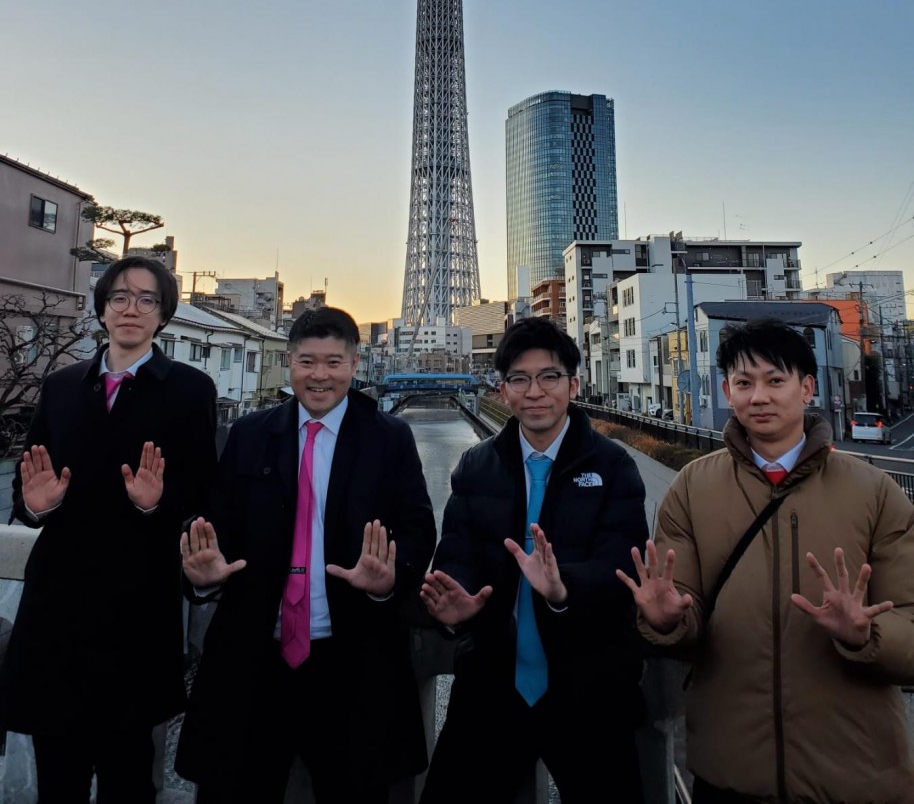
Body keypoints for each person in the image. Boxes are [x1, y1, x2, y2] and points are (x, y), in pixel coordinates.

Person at [619, 317, 914, 804]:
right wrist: (665, 619)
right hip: (731, 767)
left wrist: (868, 634)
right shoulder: (693, 488)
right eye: (743, 383)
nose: (759, 396)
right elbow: (682, 607)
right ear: (726, 392)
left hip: (856, 773)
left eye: (776, 381)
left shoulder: (873, 491)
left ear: (807, 387)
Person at [175, 306, 436, 804]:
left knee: (354, 787)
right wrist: (205, 577)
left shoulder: (388, 438)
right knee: (237, 787)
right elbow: (216, 526)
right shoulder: (250, 435)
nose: (320, 376)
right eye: (308, 362)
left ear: (356, 364)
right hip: (254, 655)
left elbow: (417, 529)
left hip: (350, 654)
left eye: (334, 363)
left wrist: (390, 579)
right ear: (290, 362)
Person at [0, 257, 217, 804]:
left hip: (137, 602)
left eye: (147, 299)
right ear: (100, 309)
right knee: (59, 766)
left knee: (127, 767)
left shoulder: (190, 390)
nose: (131, 309)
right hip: (59, 602)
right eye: (119, 297)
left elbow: (203, 494)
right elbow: (27, 490)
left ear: (164, 315)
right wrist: (35, 507)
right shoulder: (62, 386)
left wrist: (157, 504)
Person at [419, 317, 648, 804]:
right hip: (492, 683)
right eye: (520, 379)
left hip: (590, 687)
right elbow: (456, 554)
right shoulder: (476, 466)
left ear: (573, 385)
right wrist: (456, 606)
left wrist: (563, 587)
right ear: (502, 390)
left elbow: (622, 564)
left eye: (549, 377)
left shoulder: (613, 466)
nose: (535, 391)